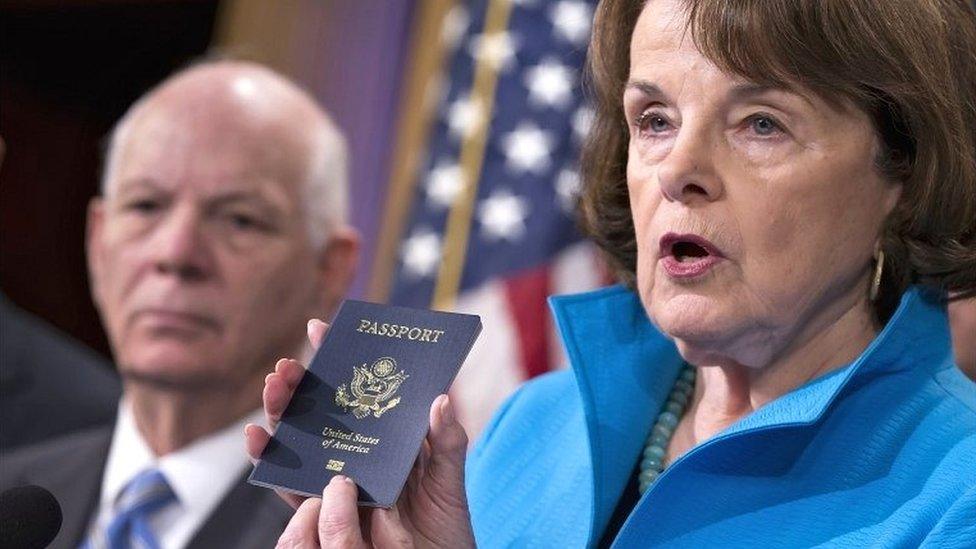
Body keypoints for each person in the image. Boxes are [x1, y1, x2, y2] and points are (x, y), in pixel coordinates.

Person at [250, 0, 976, 546]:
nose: (677, 172)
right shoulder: (527, 424)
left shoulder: (956, 489)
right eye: (655, 119)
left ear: (903, 171)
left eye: (761, 122)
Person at [0, 60, 359, 549]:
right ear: (97, 241)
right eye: (145, 206)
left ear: (330, 268)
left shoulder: (360, 529)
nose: (176, 253)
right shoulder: (12, 498)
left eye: (240, 220)